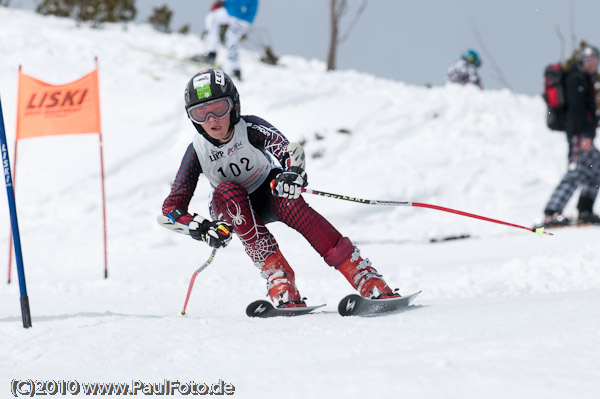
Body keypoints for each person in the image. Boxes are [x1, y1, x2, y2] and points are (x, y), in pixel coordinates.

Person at [161, 69, 399, 308]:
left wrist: (292, 174)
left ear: (234, 106)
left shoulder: (250, 127)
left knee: (291, 203)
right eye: (201, 113)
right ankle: (279, 278)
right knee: (228, 192)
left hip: (268, 191)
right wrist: (202, 229)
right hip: (231, 206)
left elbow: (287, 150)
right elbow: (171, 208)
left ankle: (363, 275)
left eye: (219, 108)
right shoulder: (197, 150)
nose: (211, 119)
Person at [540, 44, 600, 227]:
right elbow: (577, 111)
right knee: (575, 171)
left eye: (596, 62)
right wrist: (584, 135)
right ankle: (552, 212)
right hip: (578, 134)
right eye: (589, 61)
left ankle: (585, 210)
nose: (592, 65)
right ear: (582, 60)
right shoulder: (576, 79)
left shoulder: (584, 78)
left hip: (584, 133)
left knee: (595, 168)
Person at [190, 0, 258, 80]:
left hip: (242, 16)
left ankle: (234, 68)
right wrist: (223, 3)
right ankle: (211, 54)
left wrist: (224, 4)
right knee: (212, 18)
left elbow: (239, 3)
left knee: (231, 39)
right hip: (235, 12)